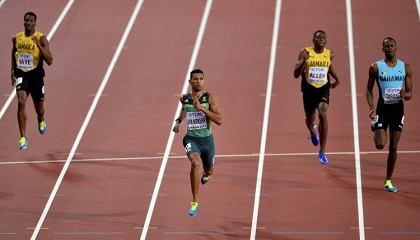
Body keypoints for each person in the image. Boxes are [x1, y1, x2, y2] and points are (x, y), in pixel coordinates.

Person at [172, 69, 222, 216]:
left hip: (207, 141)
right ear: (190, 82)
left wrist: (201, 108)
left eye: (201, 79)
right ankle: (195, 202)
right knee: (195, 163)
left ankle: (207, 174)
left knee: (208, 170)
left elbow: (220, 120)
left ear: (204, 81)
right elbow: (184, 109)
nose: (198, 81)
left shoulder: (210, 98)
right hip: (191, 139)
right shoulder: (184, 98)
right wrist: (178, 122)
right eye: (195, 79)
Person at [366, 37, 412, 193]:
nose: (390, 48)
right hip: (382, 109)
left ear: (396, 48)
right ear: (383, 49)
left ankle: (388, 180)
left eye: (392, 46)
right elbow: (369, 89)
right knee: (380, 145)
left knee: (394, 146)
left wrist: (406, 94)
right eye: (386, 46)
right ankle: (376, 124)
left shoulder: (405, 67)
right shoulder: (376, 67)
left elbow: (410, 93)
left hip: (398, 111)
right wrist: (372, 107)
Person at [293, 30, 340, 164]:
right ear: (313, 40)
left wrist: (337, 78)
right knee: (309, 118)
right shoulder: (305, 52)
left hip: (323, 88)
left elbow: (328, 66)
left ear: (326, 41)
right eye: (318, 37)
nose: (321, 39)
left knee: (323, 113)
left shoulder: (330, 54)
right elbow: (296, 74)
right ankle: (313, 131)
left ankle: (322, 151)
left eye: (323, 38)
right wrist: (303, 61)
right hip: (308, 89)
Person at [11, 12, 53, 150]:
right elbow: (14, 52)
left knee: (39, 109)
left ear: (35, 23)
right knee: (21, 101)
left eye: (31, 21)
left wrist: (39, 47)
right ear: (23, 22)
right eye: (26, 20)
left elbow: (50, 61)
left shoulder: (41, 39)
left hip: (36, 78)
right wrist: (12, 70)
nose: (28, 23)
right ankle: (23, 137)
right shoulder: (17, 38)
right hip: (22, 75)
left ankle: (41, 120)